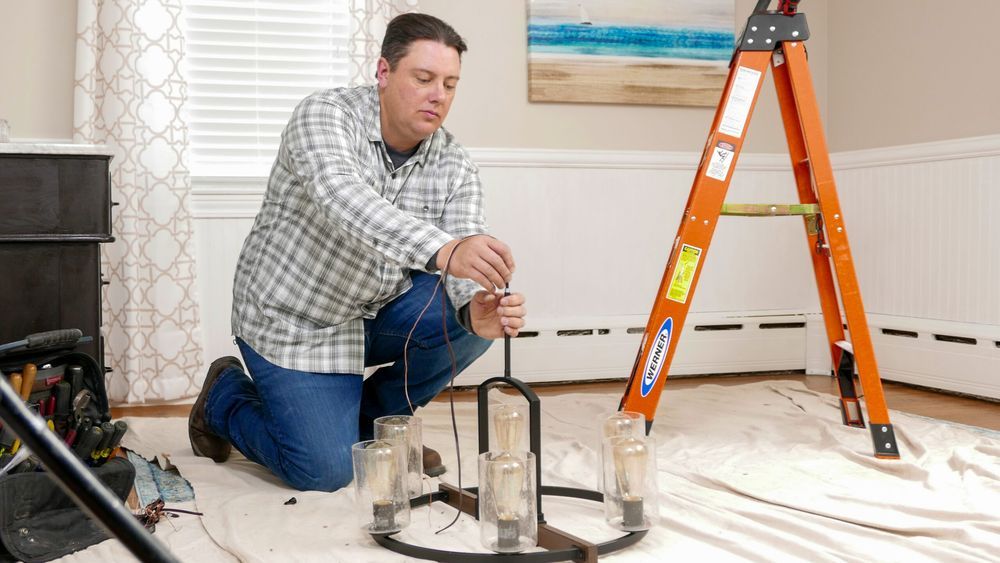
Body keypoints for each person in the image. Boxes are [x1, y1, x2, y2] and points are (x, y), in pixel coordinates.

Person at [188, 13, 527, 492]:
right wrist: (444, 248)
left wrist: (477, 306)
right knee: (324, 473)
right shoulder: (325, 115)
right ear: (384, 72)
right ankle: (223, 397)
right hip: (295, 322)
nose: (439, 95)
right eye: (424, 78)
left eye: (450, 84)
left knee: (468, 320)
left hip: (375, 309)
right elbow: (341, 195)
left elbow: (465, 243)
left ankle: (374, 429)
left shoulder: (455, 163)